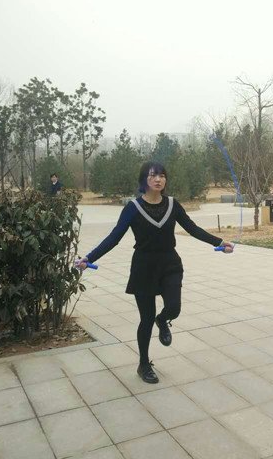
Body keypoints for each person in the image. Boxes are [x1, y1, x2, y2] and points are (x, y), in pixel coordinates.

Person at [76, 161, 233, 383]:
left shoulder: (173, 205)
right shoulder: (133, 208)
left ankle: (163, 320)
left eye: (162, 175)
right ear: (144, 180)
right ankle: (143, 364)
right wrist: (89, 258)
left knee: (174, 307)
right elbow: (114, 237)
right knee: (146, 319)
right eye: (152, 175)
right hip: (144, 268)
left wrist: (219, 242)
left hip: (170, 264)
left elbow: (192, 228)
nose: (158, 179)